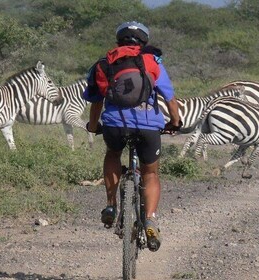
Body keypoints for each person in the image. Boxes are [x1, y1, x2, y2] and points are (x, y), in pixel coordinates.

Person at [83, 21, 181, 252]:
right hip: (148, 126)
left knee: (113, 154)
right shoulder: (152, 62)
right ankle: (150, 219)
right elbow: (169, 97)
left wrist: (94, 125)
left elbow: (97, 101)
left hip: (115, 125)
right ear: (144, 42)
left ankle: (110, 205)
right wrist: (175, 122)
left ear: (118, 41)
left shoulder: (104, 63)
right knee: (150, 172)